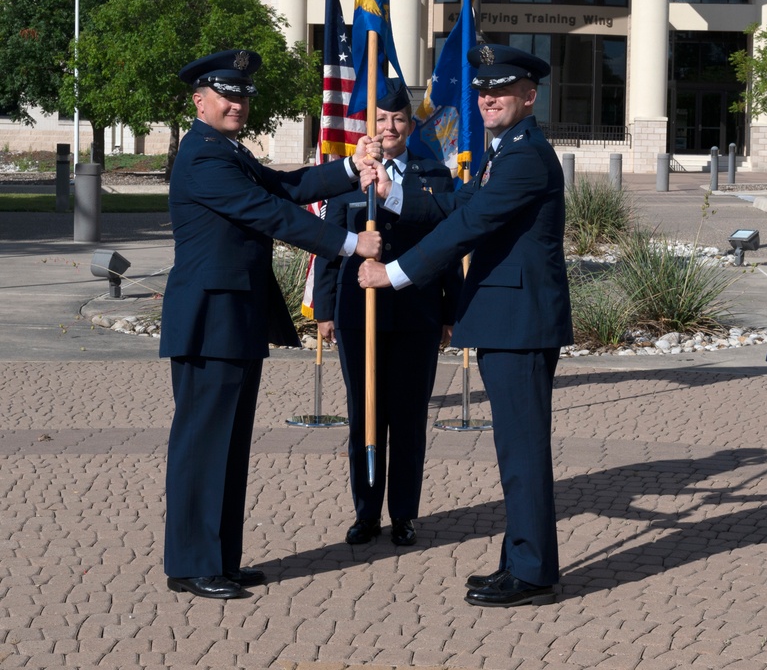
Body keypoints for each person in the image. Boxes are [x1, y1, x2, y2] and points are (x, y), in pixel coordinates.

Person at [160, 48, 382, 600]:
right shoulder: (204, 156)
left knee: (229, 446)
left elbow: (286, 189)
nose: (237, 104)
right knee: (204, 444)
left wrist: (350, 167)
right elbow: (270, 214)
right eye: (227, 95)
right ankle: (192, 563)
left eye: (243, 96)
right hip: (210, 317)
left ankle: (220, 559)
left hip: (234, 314)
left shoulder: (227, 151)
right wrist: (351, 243)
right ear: (200, 100)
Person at [357, 44, 572, 608]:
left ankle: (533, 573)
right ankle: (520, 560)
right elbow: (454, 203)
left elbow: (467, 227)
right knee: (514, 452)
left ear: (529, 96)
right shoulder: (506, 151)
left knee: (523, 451)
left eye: (500, 91)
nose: (487, 99)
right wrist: (393, 192)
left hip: (521, 323)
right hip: (507, 320)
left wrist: (394, 274)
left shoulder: (526, 155)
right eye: (483, 91)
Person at [313, 78, 459, 548]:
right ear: (367, 124)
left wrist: (449, 312)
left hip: (417, 313)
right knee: (366, 415)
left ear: (411, 125)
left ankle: (404, 515)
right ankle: (366, 512)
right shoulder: (347, 176)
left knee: (409, 418)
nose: (390, 126)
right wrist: (325, 310)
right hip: (360, 314)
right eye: (381, 118)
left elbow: (447, 246)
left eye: (398, 118)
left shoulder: (434, 175)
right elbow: (332, 249)